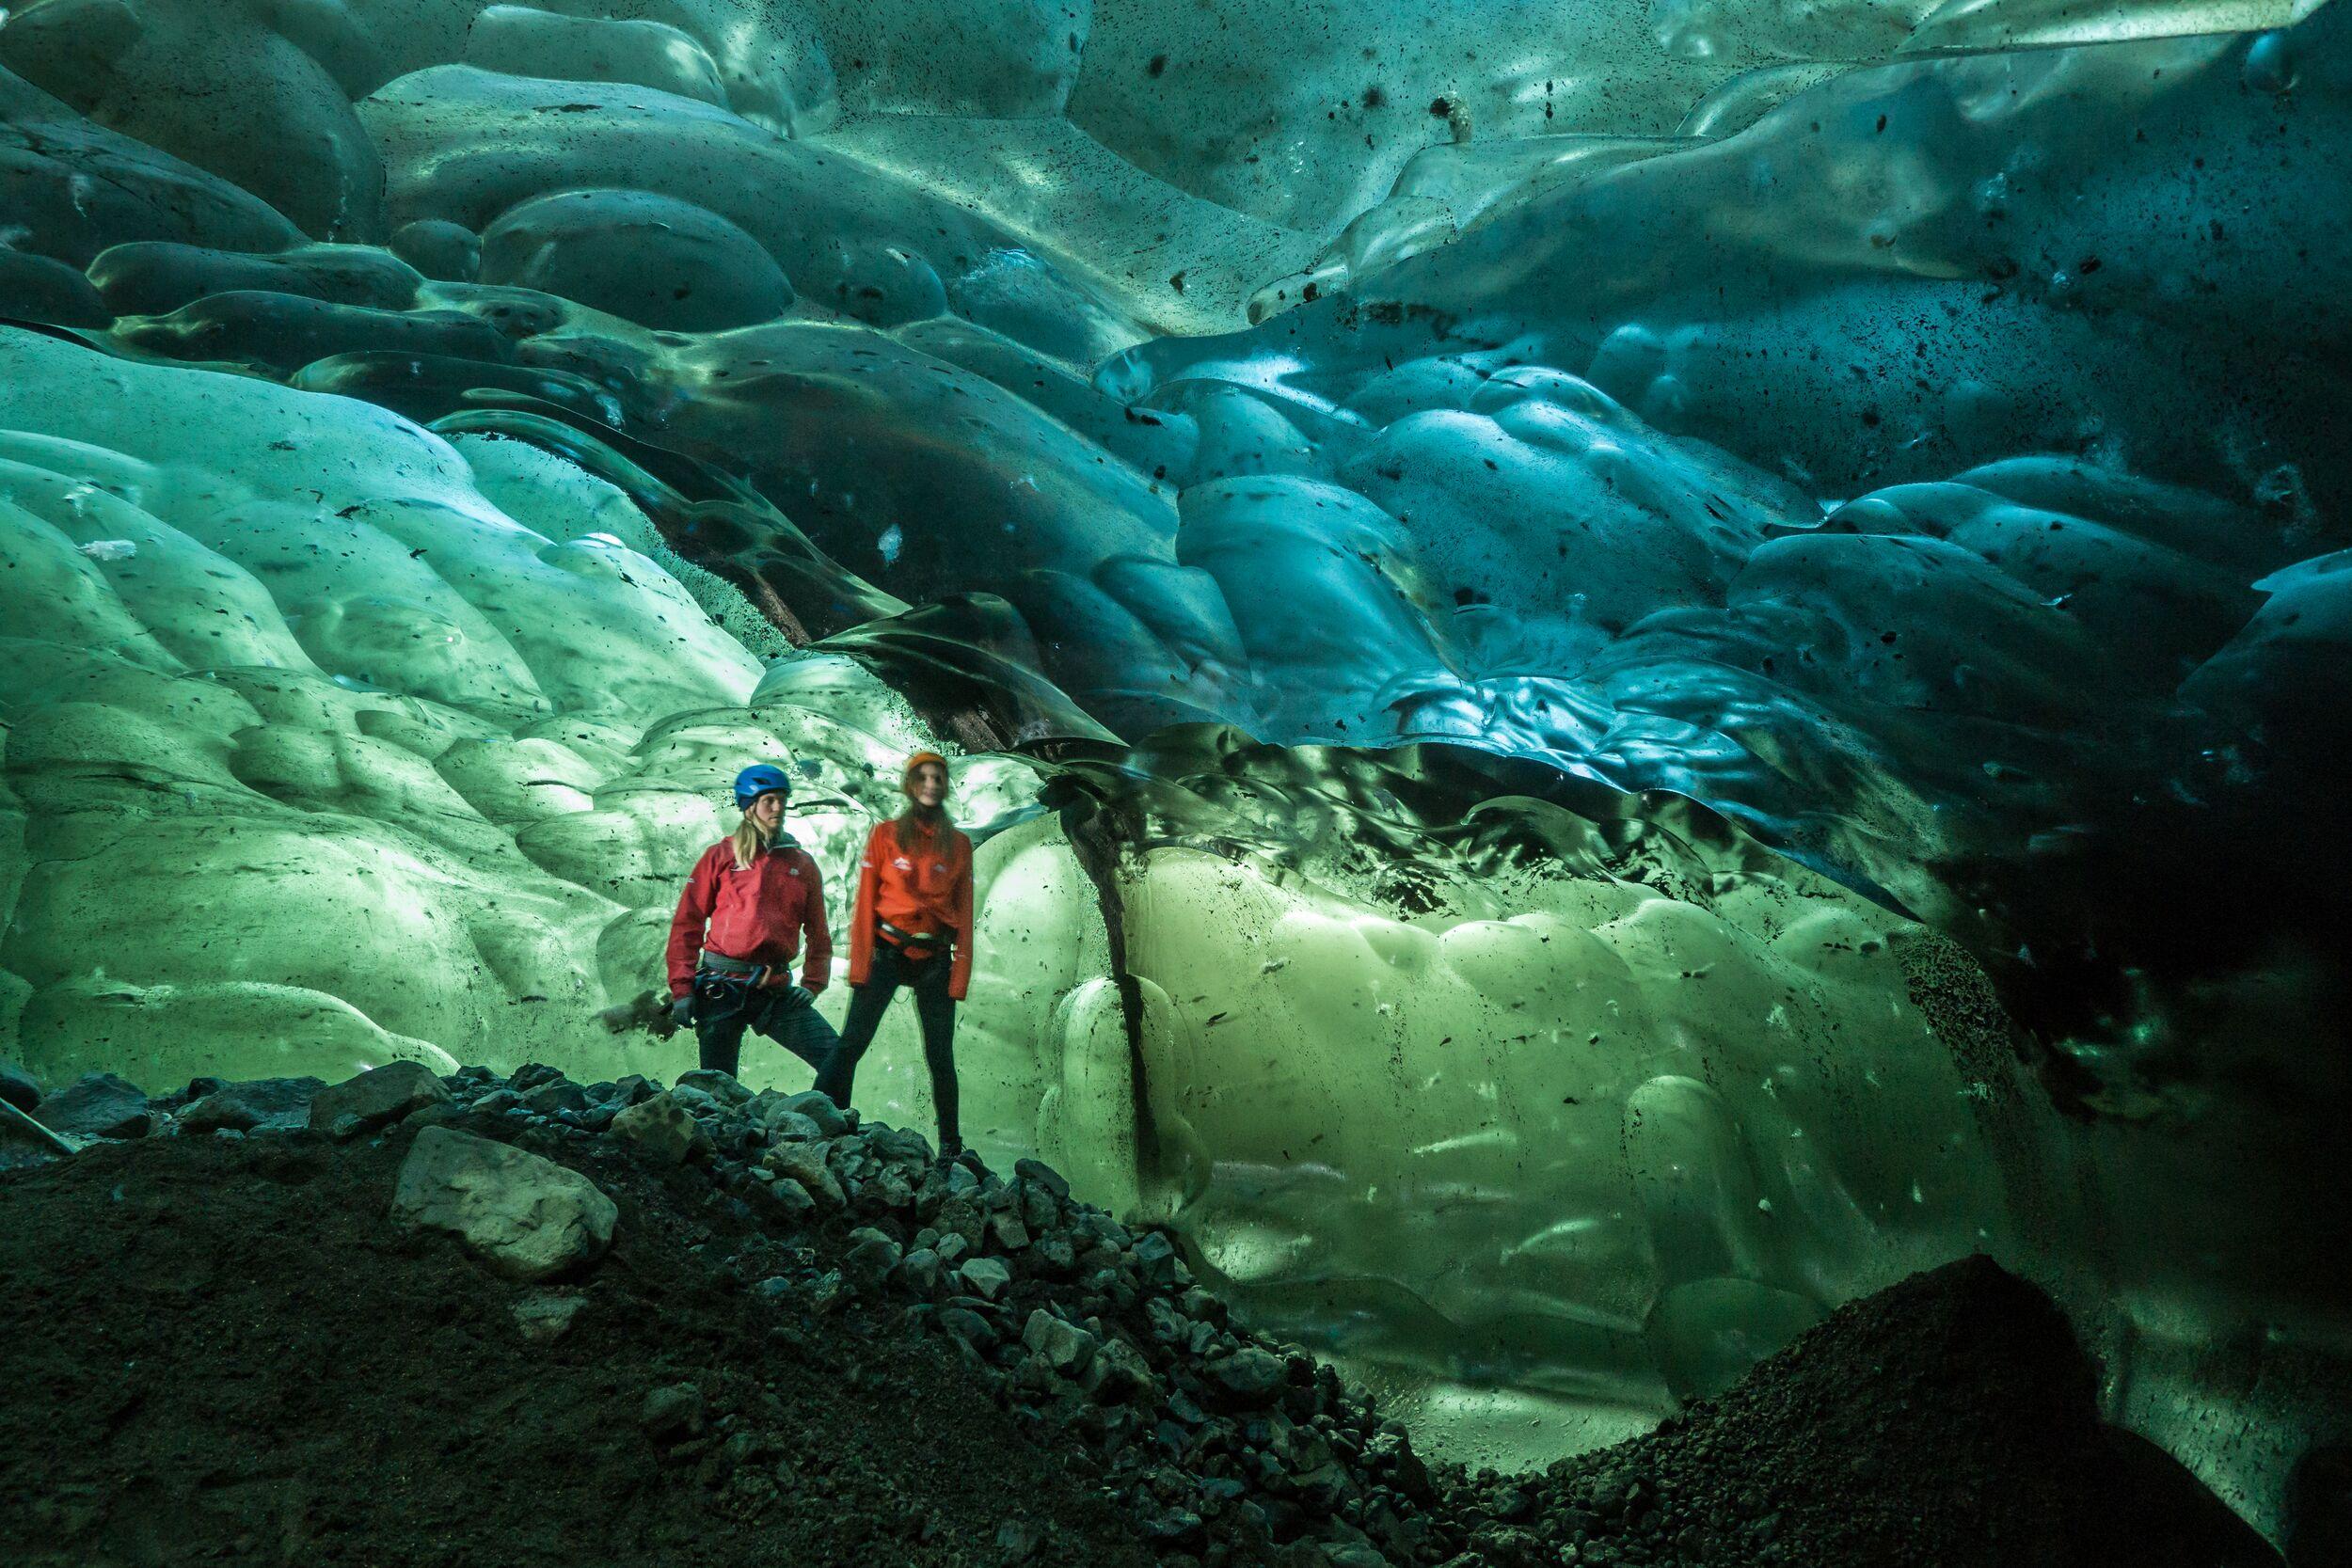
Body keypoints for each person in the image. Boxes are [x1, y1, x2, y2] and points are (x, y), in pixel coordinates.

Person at [816, 751, 975, 1160]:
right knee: (852, 1042)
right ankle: (820, 1120)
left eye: (938, 777)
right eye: (922, 777)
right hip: (887, 951)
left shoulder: (958, 845)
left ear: (945, 785)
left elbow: (966, 913)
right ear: (910, 784)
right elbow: (866, 902)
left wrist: (959, 979)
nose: (931, 784)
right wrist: (860, 969)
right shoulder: (886, 835)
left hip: (936, 959)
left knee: (941, 1057)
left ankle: (951, 1148)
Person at [666, 762, 839, 1080]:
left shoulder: (802, 864)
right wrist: (682, 989)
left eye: (781, 799)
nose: (778, 807)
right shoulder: (719, 857)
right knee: (718, 1086)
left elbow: (819, 933)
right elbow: (687, 925)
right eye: (768, 800)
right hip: (719, 988)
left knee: (836, 1057)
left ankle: (826, 1126)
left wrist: (813, 984)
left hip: (773, 990)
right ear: (749, 808)